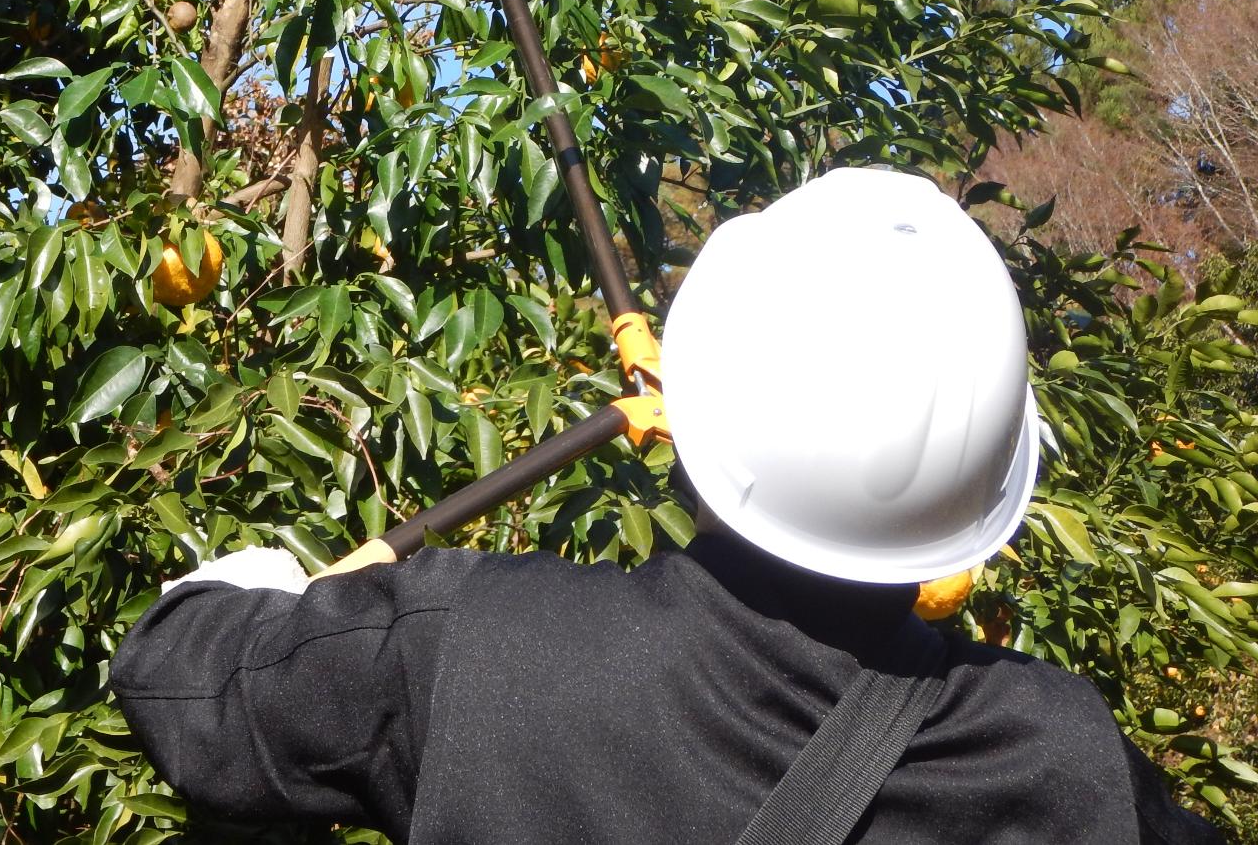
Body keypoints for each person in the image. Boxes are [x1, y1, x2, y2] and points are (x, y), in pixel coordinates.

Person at [111, 169, 1222, 843]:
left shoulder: (465, 655)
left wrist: (279, 586)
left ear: (690, 433)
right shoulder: (1061, 757)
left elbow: (180, 678)